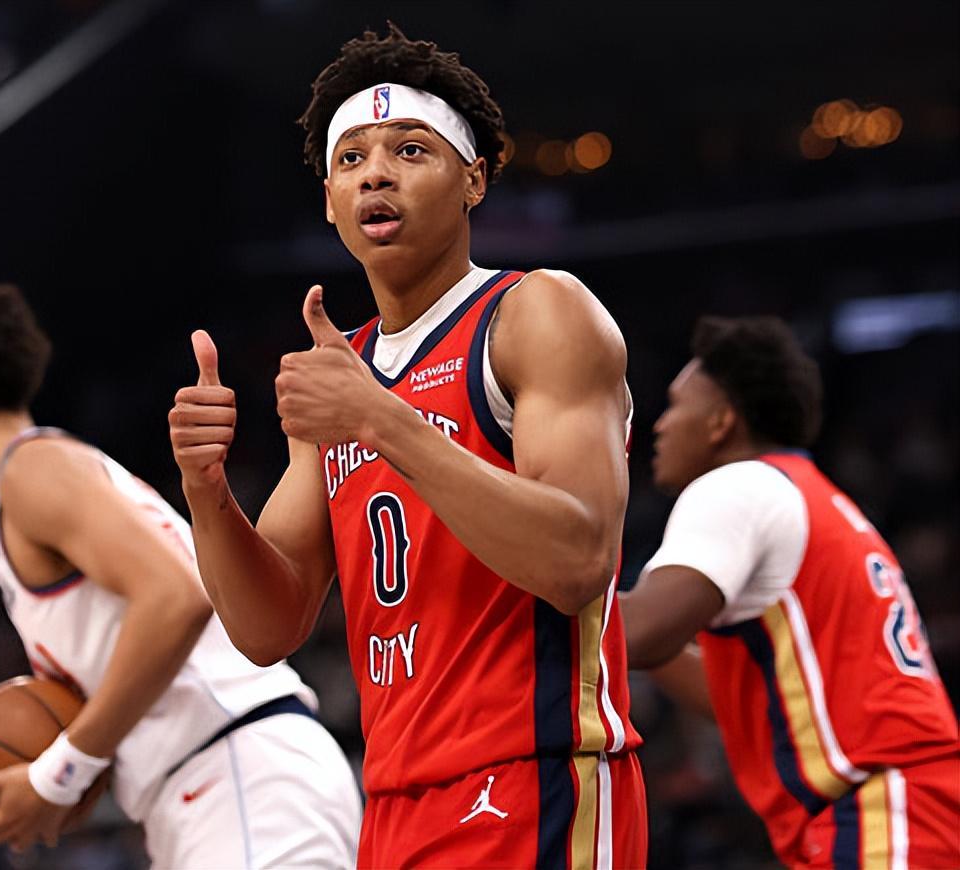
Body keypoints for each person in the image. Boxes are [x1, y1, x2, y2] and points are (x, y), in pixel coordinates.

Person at [169, 24, 645, 868]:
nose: (376, 173)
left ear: (475, 180)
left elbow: (577, 560)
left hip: (537, 780)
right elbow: (267, 625)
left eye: (411, 150)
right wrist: (207, 493)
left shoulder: (538, 313)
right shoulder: (342, 371)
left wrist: (381, 419)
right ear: (329, 200)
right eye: (351, 159)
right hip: (392, 800)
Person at [0, 283, 361, 867]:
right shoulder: (46, 476)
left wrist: (59, 772)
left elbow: (178, 596)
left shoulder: (31, 470)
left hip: (239, 771)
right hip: (218, 786)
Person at [621, 315, 960, 868]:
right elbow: (748, 702)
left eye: (677, 405)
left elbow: (638, 633)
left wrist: (544, 587)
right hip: (907, 807)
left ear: (721, 422)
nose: (660, 424)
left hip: (881, 812)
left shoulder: (737, 486)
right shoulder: (817, 497)